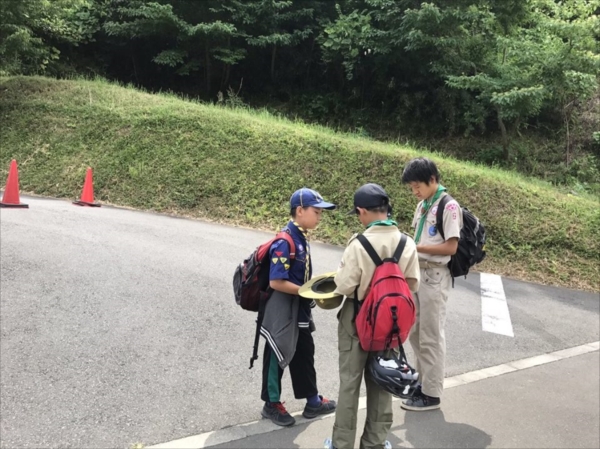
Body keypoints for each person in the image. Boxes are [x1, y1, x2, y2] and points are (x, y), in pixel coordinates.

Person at [326, 183, 420, 449]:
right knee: (382, 384)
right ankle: (375, 444)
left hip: (356, 319)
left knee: (350, 384)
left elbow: (343, 286)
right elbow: (412, 284)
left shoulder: (358, 244)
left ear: (362, 211)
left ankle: (341, 444)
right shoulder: (407, 243)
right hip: (390, 325)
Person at [260, 187, 338, 426]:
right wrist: (308, 291)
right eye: (316, 211)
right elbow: (276, 281)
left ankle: (313, 401)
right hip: (283, 311)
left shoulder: (301, 236)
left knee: (304, 352)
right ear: (300, 210)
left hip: (299, 309)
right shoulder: (285, 241)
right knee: (277, 351)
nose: (319, 216)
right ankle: (271, 403)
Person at [400, 157, 463, 411]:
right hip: (418, 273)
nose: (415, 191)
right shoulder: (424, 204)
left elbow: (451, 246)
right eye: (412, 187)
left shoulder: (448, 206)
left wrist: (416, 247)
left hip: (435, 276)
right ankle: (422, 383)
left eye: (418, 186)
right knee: (414, 331)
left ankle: (432, 394)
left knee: (431, 334)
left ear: (433, 180)